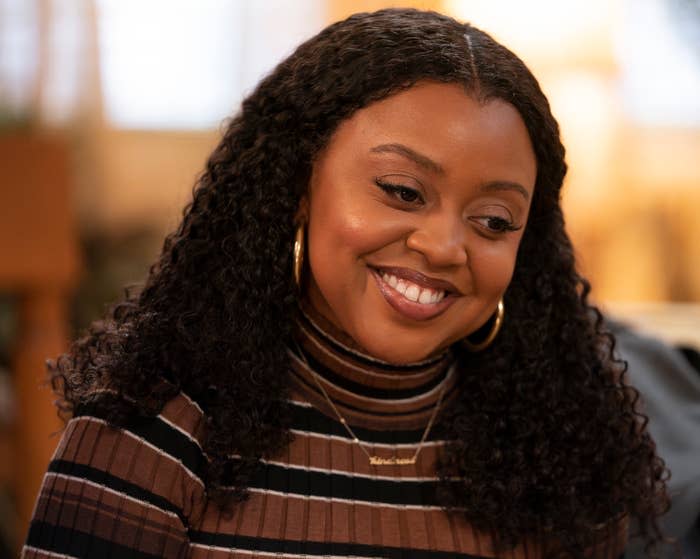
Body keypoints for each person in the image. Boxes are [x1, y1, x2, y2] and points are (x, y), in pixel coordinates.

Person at [22, 8, 670, 559]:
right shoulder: (149, 438)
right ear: (296, 186)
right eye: (402, 191)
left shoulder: (557, 457)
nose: (445, 245)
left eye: (494, 220)